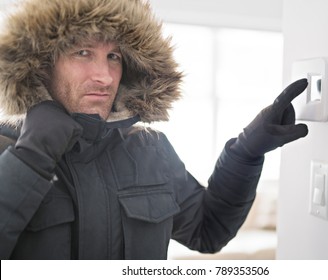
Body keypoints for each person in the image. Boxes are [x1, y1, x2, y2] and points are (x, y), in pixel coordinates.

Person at [0, 0, 308, 260]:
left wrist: (245, 154)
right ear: (41, 63)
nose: (105, 76)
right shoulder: (7, 148)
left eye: (113, 56)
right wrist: (31, 155)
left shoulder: (150, 150)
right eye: (83, 52)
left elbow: (208, 230)